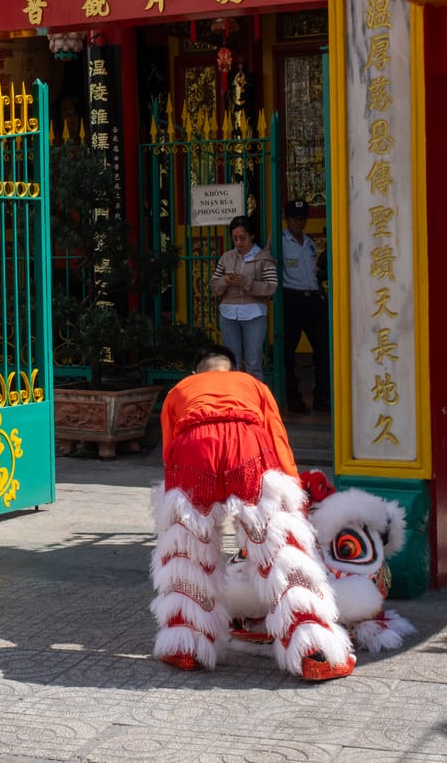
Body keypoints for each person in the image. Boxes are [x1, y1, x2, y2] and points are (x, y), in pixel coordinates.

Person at [149, 344, 355, 681]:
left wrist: (179, 502)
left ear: (196, 372)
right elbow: (277, 438)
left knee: (188, 551)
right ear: (231, 369)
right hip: (248, 445)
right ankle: (315, 652)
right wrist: (294, 496)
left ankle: (185, 647)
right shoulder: (253, 384)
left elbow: (170, 446)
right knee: (278, 550)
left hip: (192, 449)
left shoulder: (179, 390)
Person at [209, 215, 277, 379]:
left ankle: (254, 401)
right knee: (232, 364)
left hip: (254, 313)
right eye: (235, 238)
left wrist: (247, 282)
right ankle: (234, 400)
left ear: (252, 236)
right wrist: (225, 280)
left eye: (242, 238)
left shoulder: (264, 258)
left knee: (254, 363)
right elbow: (214, 285)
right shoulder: (227, 257)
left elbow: (272, 287)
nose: (238, 242)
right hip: (228, 313)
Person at [280, 200, 331, 413]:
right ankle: (293, 398)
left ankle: (322, 396)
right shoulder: (280, 241)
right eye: (295, 218)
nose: (299, 223)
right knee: (288, 352)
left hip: (312, 299)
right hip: (292, 298)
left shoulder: (309, 242)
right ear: (287, 219)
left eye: (302, 218)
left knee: (323, 348)